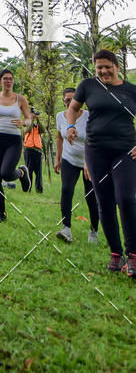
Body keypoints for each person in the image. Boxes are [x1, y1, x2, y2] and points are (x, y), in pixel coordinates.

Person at [67, 50, 136, 276]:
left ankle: (133, 254)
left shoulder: (131, 90)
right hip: (96, 150)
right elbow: (73, 108)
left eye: (107, 66)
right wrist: (70, 126)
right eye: (99, 68)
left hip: (125, 151)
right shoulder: (88, 85)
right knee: (104, 201)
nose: (103, 71)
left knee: (125, 198)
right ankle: (116, 254)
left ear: (117, 66)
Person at [0, 69, 32, 222]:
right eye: (5, 79)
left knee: (6, 174)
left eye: (11, 79)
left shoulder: (20, 99)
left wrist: (24, 122)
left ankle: (22, 173)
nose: (8, 81)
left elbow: (28, 119)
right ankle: (2, 214)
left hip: (13, 141)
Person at [54, 87, 99, 244]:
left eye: (73, 100)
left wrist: (89, 160)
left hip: (90, 160)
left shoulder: (88, 116)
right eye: (67, 100)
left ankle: (94, 231)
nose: (70, 103)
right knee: (66, 190)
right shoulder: (60, 117)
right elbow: (60, 138)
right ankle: (66, 228)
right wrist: (58, 158)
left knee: (90, 196)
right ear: (63, 101)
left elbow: (94, 140)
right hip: (69, 159)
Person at [23, 108, 44, 193]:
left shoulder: (37, 126)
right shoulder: (25, 124)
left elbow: (43, 130)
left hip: (37, 151)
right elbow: (27, 130)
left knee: (39, 172)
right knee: (29, 171)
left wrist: (38, 120)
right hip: (29, 150)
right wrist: (31, 120)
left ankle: (39, 190)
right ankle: (28, 188)